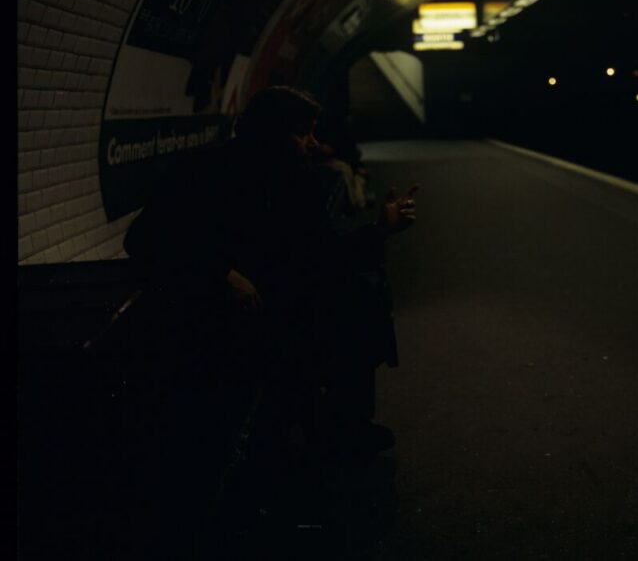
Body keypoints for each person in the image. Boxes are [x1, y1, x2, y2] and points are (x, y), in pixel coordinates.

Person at [122, 86, 418, 540]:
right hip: (210, 318)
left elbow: (321, 255)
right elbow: (143, 242)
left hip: (273, 310)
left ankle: (339, 428)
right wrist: (220, 274)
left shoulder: (291, 180)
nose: (313, 144)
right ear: (274, 133)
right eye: (303, 133)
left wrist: (380, 229)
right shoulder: (204, 173)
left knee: (361, 297)